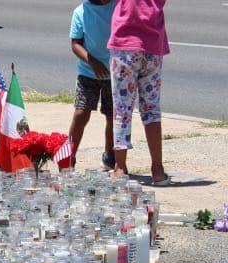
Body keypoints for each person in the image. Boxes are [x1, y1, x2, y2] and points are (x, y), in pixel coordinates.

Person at [108, 0, 169, 185]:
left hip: (124, 43)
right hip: (153, 44)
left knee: (122, 108)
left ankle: (120, 167)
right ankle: (157, 170)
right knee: (151, 109)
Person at [67, 0, 116, 171]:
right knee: (81, 113)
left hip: (115, 72)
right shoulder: (81, 12)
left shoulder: (118, 6)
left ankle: (110, 155)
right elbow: (75, 44)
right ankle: (69, 157)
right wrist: (92, 62)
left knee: (113, 116)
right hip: (88, 72)